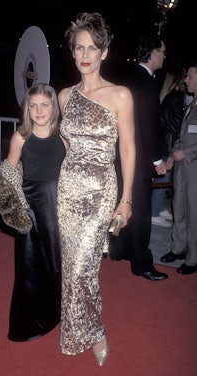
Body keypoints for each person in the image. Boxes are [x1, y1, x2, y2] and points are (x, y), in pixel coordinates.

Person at [56, 12, 136, 366]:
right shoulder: (63, 96)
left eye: (92, 48)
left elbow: (128, 149)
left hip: (101, 191)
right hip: (68, 190)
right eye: (79, 48)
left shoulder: (120, 95)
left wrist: (126, 199)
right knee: (70, 264)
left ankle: (96, 330)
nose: (84, 54)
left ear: (104, 52)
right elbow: (63, 144)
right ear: (72, 52)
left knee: (83, 267)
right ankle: (78, 328)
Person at [0, 83, 68, 341]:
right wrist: (16, 208)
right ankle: (30, 321)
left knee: (58, 264)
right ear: (28, 109)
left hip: (59, 209)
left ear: (53, 108)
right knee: (30, 266)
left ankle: (56, 312)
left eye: (45, 105)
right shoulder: (20, 137)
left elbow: (71, 175)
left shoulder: (63, 137)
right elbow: (8, 173)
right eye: (34, 105)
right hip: (32, 209)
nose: (39, 110)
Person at [109, 32, 168, 281]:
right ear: (153, 52)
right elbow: (149, 125)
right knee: (141, 211)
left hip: (120, 157)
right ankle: (141, 263)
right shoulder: (148, 82)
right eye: (163, 51)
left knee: (121, 204)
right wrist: (158, 160)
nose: (165, 55)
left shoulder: (126, 77)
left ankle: (117, 249)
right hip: (141, 159)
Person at [160, 62, 197, 274]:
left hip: (194, 169)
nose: (186, 80)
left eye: (190, 77)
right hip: (182, 169)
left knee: (194, 213)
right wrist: (172, 155)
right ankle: (179, 248)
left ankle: (193, 258)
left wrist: (187, 153)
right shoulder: (192, 105)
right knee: (179, 209)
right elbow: (182, 137)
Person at [151, 65, 187, 227]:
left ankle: (157, 209)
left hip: (165, 142)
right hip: (168, 143)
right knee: (164, 176)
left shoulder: (169, 95)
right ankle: (154, 212)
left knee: (165, 176)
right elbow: (176, 123)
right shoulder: (176, 97)